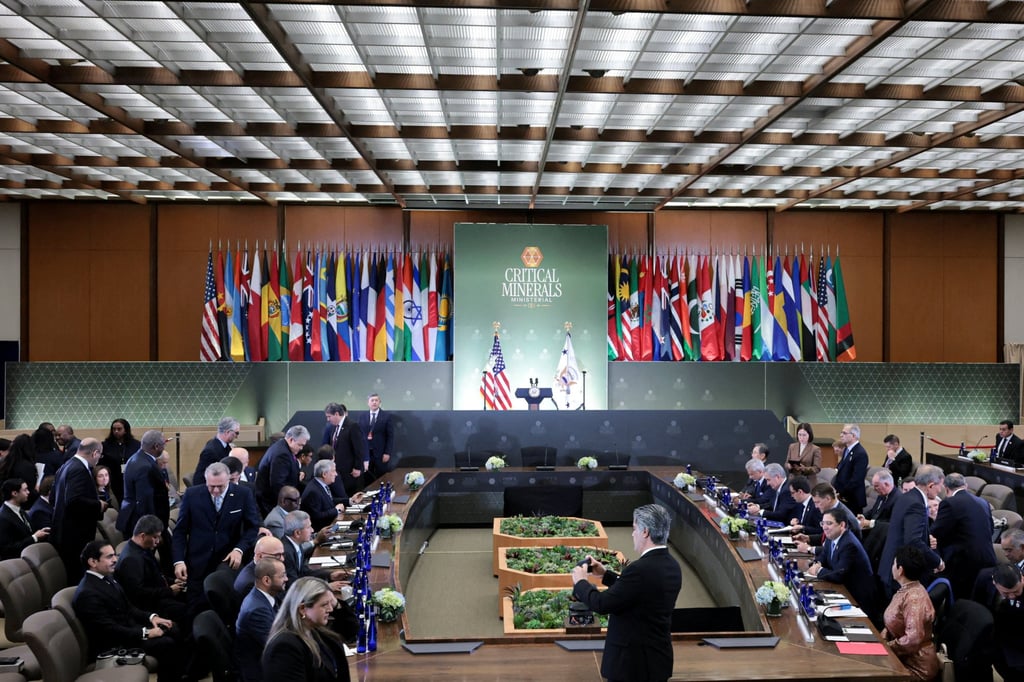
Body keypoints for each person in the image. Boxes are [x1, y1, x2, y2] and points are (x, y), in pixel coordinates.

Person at [570, 504, 681, 682]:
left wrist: (581, 582)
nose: (632, 534)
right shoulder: (672, 566)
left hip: (631, 667)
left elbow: (602, 604)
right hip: (657, 661)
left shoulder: (639, 569)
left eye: (634, 528)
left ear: (645, 532)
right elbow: (640, 594)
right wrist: (606, 575)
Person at [72, 540, 186, 682]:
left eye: (114, 555)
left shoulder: (107, 577)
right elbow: (108, 629)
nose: (115, 560)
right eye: (109, 557)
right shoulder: (87, 593)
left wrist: (153, 618)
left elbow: (128, 607)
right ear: (93, 562)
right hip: (115, 643)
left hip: (128, 629)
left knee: (173, 627)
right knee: (166, 644)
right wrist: (146, 632)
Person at [171, 461, 262, 601]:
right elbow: (180, 531)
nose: (215, 491)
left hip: (227, 562)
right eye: (211, 486)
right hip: (197, 563)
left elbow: (252, 527)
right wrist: (178, 561)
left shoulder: (243, 494)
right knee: (195, 606)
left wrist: (239, 549)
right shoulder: (192, 494)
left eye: (220, 486)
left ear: (229, 480)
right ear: (206, 480)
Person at [262, 577, 351, 682]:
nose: (330, 609)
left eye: (330, 603)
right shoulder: (284, 647)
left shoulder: (320, 633)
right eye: (324, 605)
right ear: (303, 609)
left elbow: (351, 629)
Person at [877, 465, 945, 599]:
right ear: (931, 485)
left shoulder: (905, 497)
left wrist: (926, 537)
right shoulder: (917, 504)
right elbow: (913, 541)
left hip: (891, 567)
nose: (941, 489)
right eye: (940, 485)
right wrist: (937, 562)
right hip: (902, 574)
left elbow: (904, 530)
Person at [929, 472, 997, 600]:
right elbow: (991, 530)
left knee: (960, 600)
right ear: (965, 486)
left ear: (946, 488)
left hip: (962, 564)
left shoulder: (949, 503)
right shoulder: (983, 502)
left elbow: (936, 532)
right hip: (988, 560)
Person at [804, 509, 878, 624]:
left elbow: (839, 574)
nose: (825, 527)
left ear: (842, 525)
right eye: (823, 523)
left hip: (856, 596)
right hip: (842, 588)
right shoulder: (831, 537)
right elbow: (823, 556)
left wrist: (818, 570)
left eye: (829, 523)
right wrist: (817, 564)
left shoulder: (849, 544)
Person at [881, 545, 940, 681]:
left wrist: (885, 647)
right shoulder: (907, 589)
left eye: (894, 563)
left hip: (916, 666)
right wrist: (882, 639)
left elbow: (912, 639)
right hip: (901, 657)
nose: (892, 566)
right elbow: (894, 622)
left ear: (900, 570)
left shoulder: (914, 598)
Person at [52, 437, 107, 582]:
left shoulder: (66, 466)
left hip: (65, 533)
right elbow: (73, 501)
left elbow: (53, 499)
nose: (98, 460)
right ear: (95, 453)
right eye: (99, 455)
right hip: (75, 537)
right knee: (77, 578)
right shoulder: (79, 469)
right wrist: (98, 505)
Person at [115, 515, 188, 624]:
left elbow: (156, 575)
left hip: (159, 594)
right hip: (149, 607)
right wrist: (169, 591)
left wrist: (172, 581)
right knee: (188, 610)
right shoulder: (131, 560)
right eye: (155, 537)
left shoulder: (143, 548)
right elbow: (138, 594)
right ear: (143, 536)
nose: (158, 541)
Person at [236, 557, 288, 682]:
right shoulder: (257, 610)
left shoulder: (264, 596)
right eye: (282, 576)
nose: (286, 579)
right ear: (266, 580)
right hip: (262, 671)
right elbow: (278, 646)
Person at [118, 430, 169, 537]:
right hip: (141, 525)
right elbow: (145, 501)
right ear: (156, 446)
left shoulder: (138, 458)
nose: (164, 448)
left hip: (137, 519)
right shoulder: (144, 466)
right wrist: (152, 531)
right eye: (163, 445)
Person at [281, 510, 347, 590]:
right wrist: (326, 587)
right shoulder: (286, 552)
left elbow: (305, 572)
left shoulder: (296, 544)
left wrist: (330, 575)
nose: (312, 530)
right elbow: (293, 585)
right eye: (309, 527)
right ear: (297, 533)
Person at [256, 425, 309, 514]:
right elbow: (278, 484)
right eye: (300, 445)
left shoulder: (283, 447)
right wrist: (291, 502)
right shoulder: (282, 454)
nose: (301, 448)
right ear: (291, 440)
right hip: (272, 503)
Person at [300, 460, 364, 532]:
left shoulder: (320, 484)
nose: (336, 474)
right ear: (324, 474)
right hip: (322, 532)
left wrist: (350, 500)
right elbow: (316, 516)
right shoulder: (313, 491)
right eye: (333, 471)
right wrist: (336, 510)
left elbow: (329, 501)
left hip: (330, 526)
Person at [987, 564, 1024, 681]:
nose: (1012, 596)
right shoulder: (984, 579)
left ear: (1022, 579)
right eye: (1007, 593)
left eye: (1016, 591)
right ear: (995, 583)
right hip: (998, 641)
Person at [0, 478, 49, 559]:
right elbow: (6, 549)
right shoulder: (3, 517)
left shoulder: (19, 509)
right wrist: (34, 537)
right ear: (15, 493)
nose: (28, 492)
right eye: (25, 490)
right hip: (17, 562)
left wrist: (40, 532)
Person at [322, 403, 364, 496]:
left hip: (349, 471)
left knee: (349, 495)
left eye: (329, 416)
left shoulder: (353, 426)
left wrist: (357, 467)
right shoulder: (333, 427)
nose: (328, 419)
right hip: (337, 470)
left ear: (337, 414)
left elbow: (359, 448)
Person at [100, 418, 141, 503]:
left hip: (131, 479)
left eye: (119, 429)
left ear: (126, 430)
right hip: (113, 480)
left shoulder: (136, 445)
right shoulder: (105, 445)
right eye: (114, 429)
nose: (116, 431)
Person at [359, 393, 394, 484]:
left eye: (376, 400)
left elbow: (390, 436)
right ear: (368, 403)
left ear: (380, 402)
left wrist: (387, 452)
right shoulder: (362, 417)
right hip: (366, 453)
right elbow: (360, 435)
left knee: (382, 478)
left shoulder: (386, 416)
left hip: (381, 453)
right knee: (367, 478)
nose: (374, 402)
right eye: (372, 400)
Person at [193, 417, 240, 484]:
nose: (237, 436)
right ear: (228, 432)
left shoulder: (222, 445)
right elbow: (200, 479)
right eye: (236, 433)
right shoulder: (210, 451)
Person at [834, 424, 869, 515]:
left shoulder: (860, 453)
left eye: (844, 433)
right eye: (841, 432)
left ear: (853, 436)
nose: (841, 435)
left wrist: (841, 493)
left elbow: (856, 479)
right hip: (843, 497)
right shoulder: (846, 449)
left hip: (853, 499)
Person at [0, 434, 40, 506]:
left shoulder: (5, 463)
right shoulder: (28, 467)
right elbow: (30, 490)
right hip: (23, 504)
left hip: (6, 501)